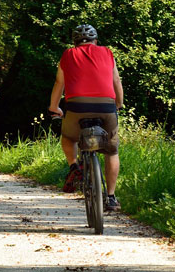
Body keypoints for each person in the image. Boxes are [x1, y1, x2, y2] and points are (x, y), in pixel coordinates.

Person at [48, 24, 124, 211]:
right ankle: (112, 197)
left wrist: (53, 107)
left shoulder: (68, 54)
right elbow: (116, 80)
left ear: (75, 42)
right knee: (112, 151)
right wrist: (119, 104)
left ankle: (74, 167)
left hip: (76, 106)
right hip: (106, 105)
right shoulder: (107, 53)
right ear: (95, 40)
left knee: (68, 137)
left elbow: (60, 82)